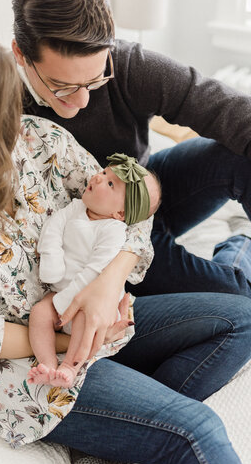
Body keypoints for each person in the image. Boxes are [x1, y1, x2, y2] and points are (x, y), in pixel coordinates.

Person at [0, 17, 251, 464]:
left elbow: (131, 214)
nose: (15, 110)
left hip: (93, 321)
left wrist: (109, 283)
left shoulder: (38, 141)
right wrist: (80, 343)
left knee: (242, 320)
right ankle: (126, 427)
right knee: (195, 429)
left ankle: (115, 439)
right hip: (30, 373)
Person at [9, 0, 251, 332]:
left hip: (148, 193)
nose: (83, 100)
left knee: (240, 153)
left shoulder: (127, 64)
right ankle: (243, 246)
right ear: (21, 54)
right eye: (62, 86)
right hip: (103, 238)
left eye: (95, 80)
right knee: (236, 298)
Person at [28, 154, 161, 388]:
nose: (99, 179)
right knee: (39, 313)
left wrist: (67, 303)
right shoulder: (76, 207)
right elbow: (54, 227)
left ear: (120, 214)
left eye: (110, 184)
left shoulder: (113, 231)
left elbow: (94, 271)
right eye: (104, 173)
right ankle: (47, 365)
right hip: (61, 292)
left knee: (83, 321)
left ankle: (71, 366)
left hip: (91, 297)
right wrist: (51, 258)